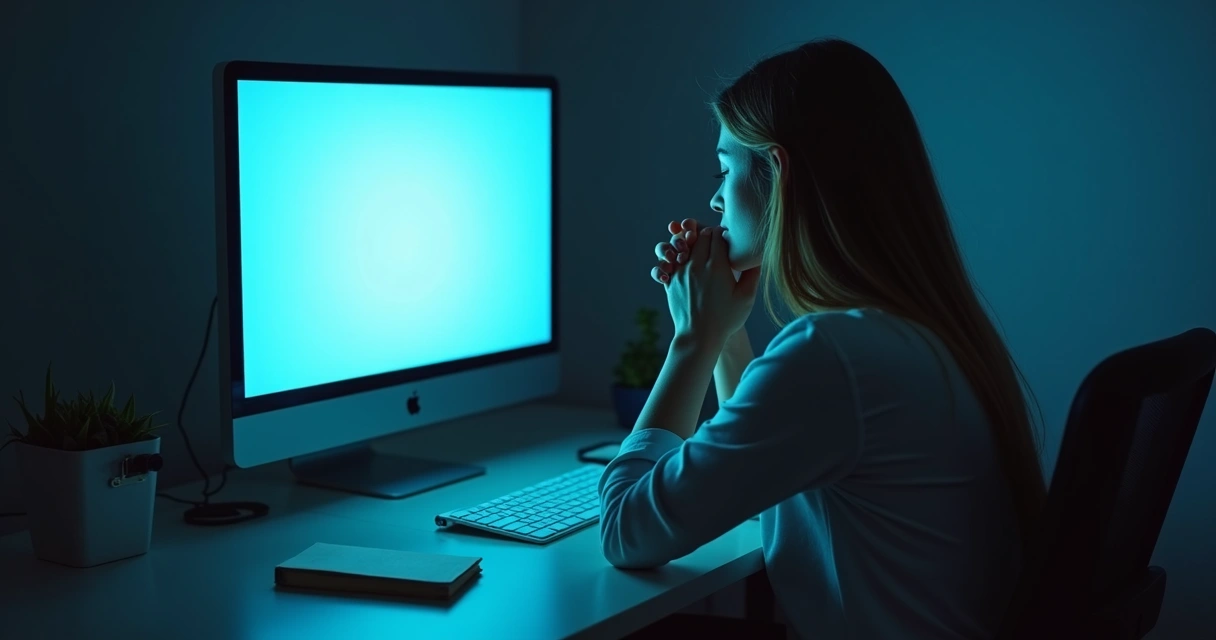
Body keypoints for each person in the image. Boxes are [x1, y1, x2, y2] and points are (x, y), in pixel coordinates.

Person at [598, 38, 1047, 640]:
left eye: (724, 169)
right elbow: (756, 475)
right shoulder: (917, 334)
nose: (713, 198)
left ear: (779, 175)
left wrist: (692, 342)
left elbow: (628, 532)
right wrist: (727, 334)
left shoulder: (833, 355)